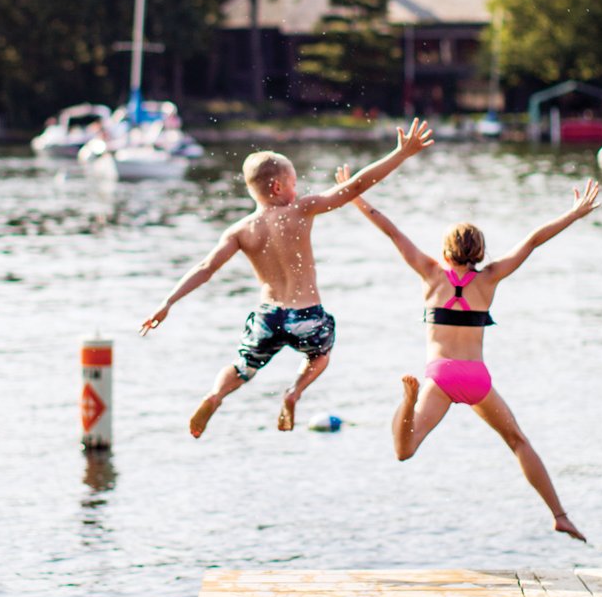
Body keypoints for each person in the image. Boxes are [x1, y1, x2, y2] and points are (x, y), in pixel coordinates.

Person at [337, 167, 600, 541]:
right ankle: (559, 514)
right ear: (478, 251)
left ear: (446, 250)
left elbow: (392, 230)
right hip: (477, 379)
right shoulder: (490, 278)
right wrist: (572, 214)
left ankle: (408, 402)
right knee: (518, 442)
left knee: (404, 449)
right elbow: (532, 241)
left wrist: (356, 196)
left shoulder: (431, 273)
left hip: (440, 377)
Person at [140, 119, 434, 437]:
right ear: (279, 187)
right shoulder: (301, 210)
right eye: (294, 183)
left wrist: (167, 302)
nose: (297, 190)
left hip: (268, 316)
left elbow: (205, 268)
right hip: (306, 314)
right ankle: (294, 391)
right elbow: (356, 186)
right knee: (320, 355)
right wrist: (400, 154)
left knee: (243, 367)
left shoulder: (240, 230)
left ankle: (215, 395)